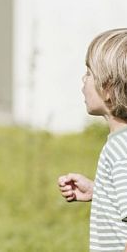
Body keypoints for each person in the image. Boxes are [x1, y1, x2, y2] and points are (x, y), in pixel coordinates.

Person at [58, 28, 127, 252]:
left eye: (89, 73)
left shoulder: (120, 151)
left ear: (107, 89)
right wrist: (100, 192)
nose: (83, 79)